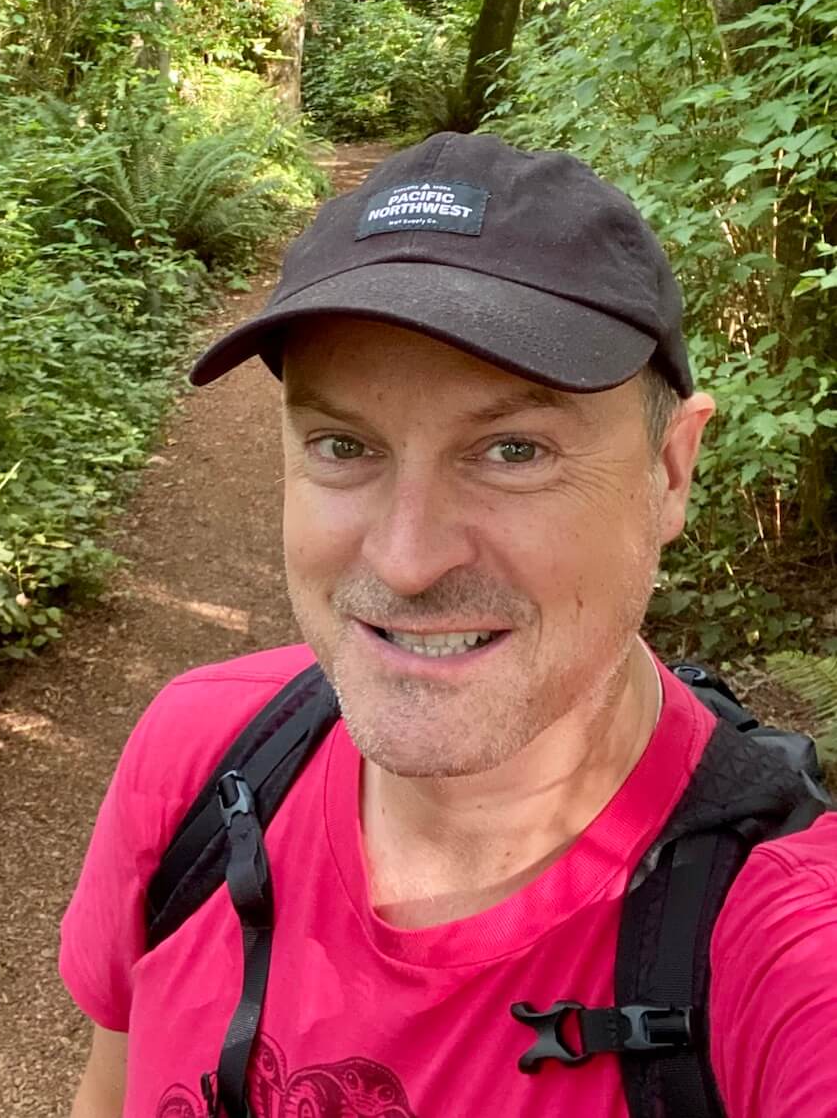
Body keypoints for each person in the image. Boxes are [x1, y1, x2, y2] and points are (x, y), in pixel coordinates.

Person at [60, 133, 837, 1118]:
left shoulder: (781, 942)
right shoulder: (200, 760)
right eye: (345, 446)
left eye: (513, 450)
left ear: (671, 471)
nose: (405, 557)